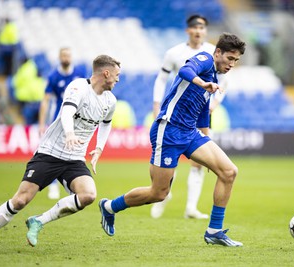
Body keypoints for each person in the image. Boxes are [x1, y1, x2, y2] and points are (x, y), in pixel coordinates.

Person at [99, 33, 246, 247]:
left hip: (190, 132)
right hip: (168, 130)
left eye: (236, 61)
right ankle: (110, 206)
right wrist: (202, 83)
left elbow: (203, 113)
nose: (232, 64)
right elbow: (185, 70)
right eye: (230, 58)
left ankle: (214, 231)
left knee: (229, 171)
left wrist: (207, 141)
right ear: (217, 53)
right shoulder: (204, 60)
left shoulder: (213, 78)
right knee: (158, 193)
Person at [0, 55, 121, 253]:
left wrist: (99, 148)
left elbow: (106, 124)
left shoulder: (110, 101)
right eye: (117, 75)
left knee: (88, 195)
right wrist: (69, 134)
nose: (118, 79)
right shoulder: (78, 87)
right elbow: (67, 113)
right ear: (106, 73)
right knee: (21, 200)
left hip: (74, 158)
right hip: (50, 152)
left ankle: (38, 221)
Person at [151, 14, 226, 220]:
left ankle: (191, 208)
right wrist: (156, 105)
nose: (198, 30)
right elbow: (161, 79)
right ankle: (163, 196)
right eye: (195, 27)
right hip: (176, 114)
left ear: (205, 31)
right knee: (170, 160)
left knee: (199, 162)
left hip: (201, 111)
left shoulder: (214, 52)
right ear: (188, 30)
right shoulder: (174, 53)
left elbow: (224, 82)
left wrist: (214, 103)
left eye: (202, 27)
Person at [38, 47, 87, 199]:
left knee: (73, 152)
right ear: (59, 57)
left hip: (76, 120)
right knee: (54, 152)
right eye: (63, 55)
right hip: (59, 119)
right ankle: (53, 185)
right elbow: (45, 100)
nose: (66, 58)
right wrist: (41, 123)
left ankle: (71, 183)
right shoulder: (53, 76)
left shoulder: (79, 74)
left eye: (68, 55)